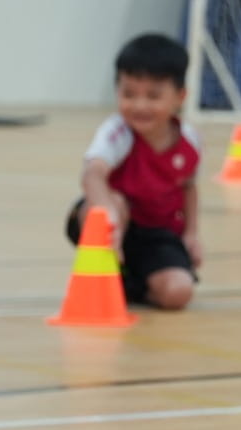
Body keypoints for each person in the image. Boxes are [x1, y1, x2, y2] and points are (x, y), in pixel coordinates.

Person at [67, 34, 201, 310]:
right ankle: (109, 269)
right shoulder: (117, 133)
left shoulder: (190, 140)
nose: (139, 106)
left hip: (158, 234)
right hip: (116, 224)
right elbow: (92, 173)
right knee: (111, 203)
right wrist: (108, 212)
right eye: (129, 94)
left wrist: (192, 233)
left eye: (153, 96)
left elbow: (189, 187)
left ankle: (133, 286)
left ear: (180, 96)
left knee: (179, 293)